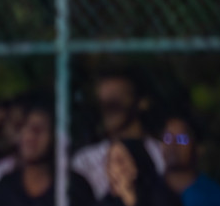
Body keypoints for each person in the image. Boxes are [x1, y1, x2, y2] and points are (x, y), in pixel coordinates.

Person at [71, 69, 165, 199]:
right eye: (102, 102)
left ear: (142, 102)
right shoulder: (84, 162)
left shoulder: (163, 155)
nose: (107, 108)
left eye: (115, 101)